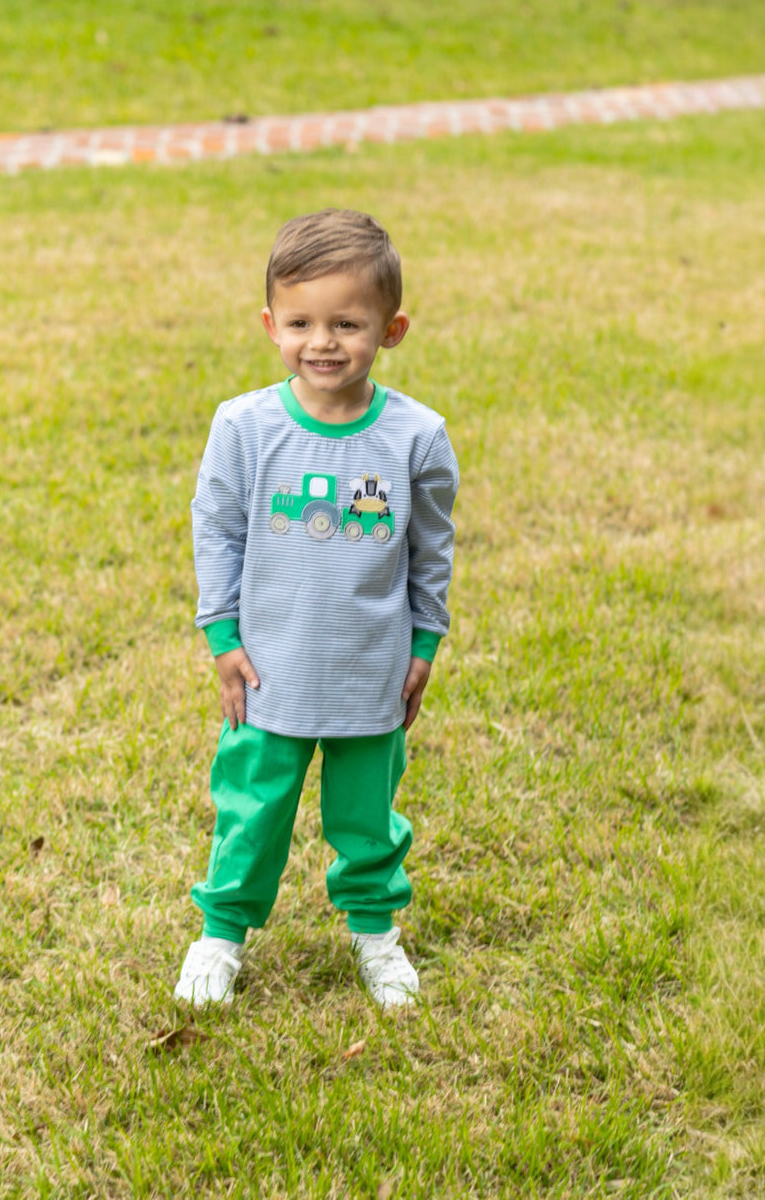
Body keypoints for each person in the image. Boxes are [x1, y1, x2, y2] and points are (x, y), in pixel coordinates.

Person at [174, 209, 458, 1008]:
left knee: (368, 816)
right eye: (300, 322)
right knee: (252, 807)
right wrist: (222, 637)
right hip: (268, 668)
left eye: (347, 323)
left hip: (372, 666)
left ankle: (376, 933)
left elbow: (431, 550)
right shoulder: (244, 427)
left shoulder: (416, 437)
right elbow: (217, 529)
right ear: (270, 324)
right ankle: (221, 932)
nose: (322, 341)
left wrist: (425, 643)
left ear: (391, 329)